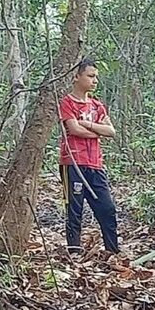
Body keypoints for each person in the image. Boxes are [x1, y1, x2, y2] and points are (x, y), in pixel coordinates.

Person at [58, 59, 119, 256]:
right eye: (90, 76)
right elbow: (73, 128)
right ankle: (74, 251)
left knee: (107, 208)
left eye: (96, 77)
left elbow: (110, 131)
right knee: (75, 210)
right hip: (73, 162)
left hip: (95, 164)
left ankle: (112, 250)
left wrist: (90, 126)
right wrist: (96, 131)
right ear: (76, 77)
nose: (95, 81)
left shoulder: (97, 106)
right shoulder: (67, 102)